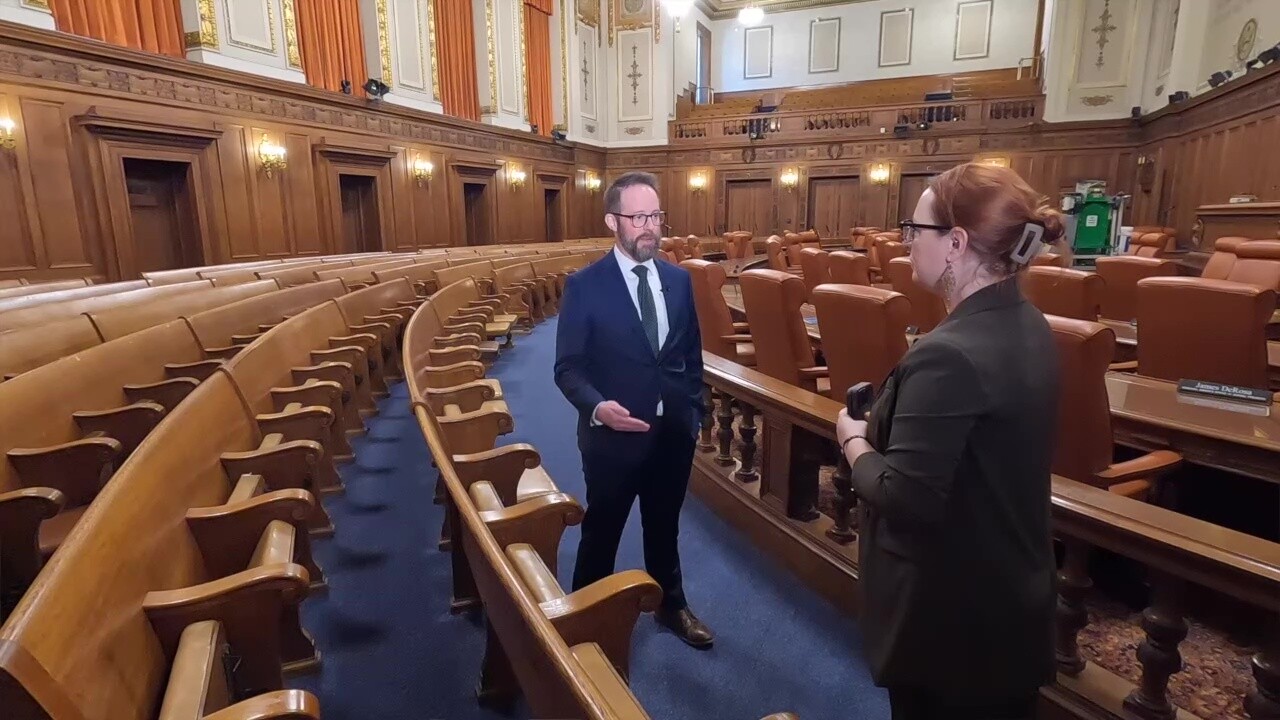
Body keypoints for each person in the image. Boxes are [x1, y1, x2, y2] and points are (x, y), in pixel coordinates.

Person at [836, 163, 1062, 719]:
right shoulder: (1029, 322)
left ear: (956, 243)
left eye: (916, 229)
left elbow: (904, 496)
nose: (907, 242)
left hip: (951, 626)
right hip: (1007, 601)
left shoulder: (950, 353)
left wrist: (853, 442)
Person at [553, 171, 713, 648]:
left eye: (656, 215)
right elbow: (567, 368)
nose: (650, 227)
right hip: (612, 439)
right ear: (612, 221)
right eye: (638, 216)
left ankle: (671, 604)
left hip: (673, 434)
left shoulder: (679, 281)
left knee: (663, 526)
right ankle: (585, 618)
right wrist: (599, 408)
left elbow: (691, 355)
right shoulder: (585, 286)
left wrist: (694, 411)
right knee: (603, 530)